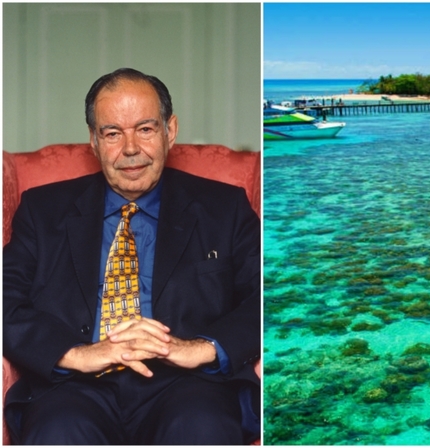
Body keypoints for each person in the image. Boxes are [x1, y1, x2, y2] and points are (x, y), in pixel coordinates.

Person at [2, 68, 260, 444]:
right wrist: (75, 354)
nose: (131, 149)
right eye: (112, 133)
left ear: (170, 131)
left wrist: (199, 348)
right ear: (93, 140)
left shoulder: (224, 207)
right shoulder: (43, 210)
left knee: (201, 426)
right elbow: (4, 299)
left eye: (145, 129)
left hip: (188, 386)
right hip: (73, 388)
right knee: (58, 431)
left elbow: (266, 297)